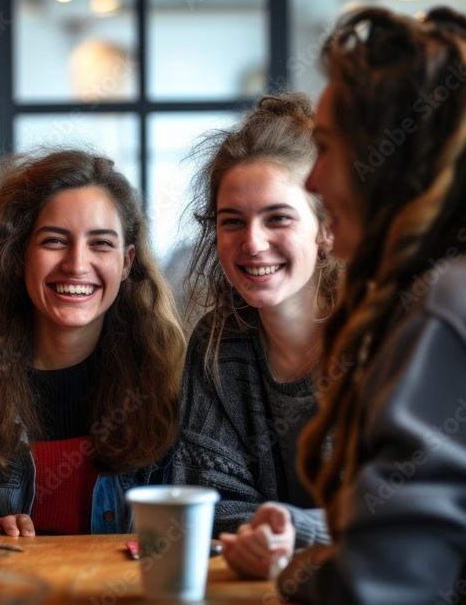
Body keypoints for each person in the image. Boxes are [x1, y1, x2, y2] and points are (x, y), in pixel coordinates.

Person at [277, 7, 466, 603]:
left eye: (325, 148)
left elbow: (381, 587)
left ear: (389, 157)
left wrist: (302, 579)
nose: (311, 181)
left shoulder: (449, 306)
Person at [0, 149, 186, 536]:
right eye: (55, 241)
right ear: (19, 255)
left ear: (127, 263)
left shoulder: (164, 386)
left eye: (101, 244)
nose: (77, 264)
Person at [172, 93, 339, 578]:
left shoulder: (389, 337)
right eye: (232, 222)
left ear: (326, 229)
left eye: (278, 217)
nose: (252, 242)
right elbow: (210, 500)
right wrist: (261, 541)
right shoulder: (219, 345)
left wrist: (294, 531)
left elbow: (412, 514)